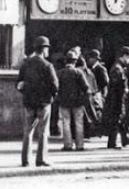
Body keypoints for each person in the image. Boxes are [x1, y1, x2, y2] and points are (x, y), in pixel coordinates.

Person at [17, 35, 59, 167]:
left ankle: (25, 160)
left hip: (29, 102)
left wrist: (25, 93)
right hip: (43, 103)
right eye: (47, 48)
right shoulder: (48, 65)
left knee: (27, 132)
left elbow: (19, 83)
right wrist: (52, 96)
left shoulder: (25, 64)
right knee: (43, 132)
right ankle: (41, 159)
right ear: (44, 49)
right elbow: (55, 85)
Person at [57, 49, 90, 151]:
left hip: (64, 101)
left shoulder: (60, 73)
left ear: (66, 61)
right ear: (75, 61)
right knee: (79, 123)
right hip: (78, 101)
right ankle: (80, 145)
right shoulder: (78, 72)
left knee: (65, 123)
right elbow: (86, 87)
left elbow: (57, 87)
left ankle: (68, 145)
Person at [104, 47, 129, 149]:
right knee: (115, 120)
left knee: (118, 119)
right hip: (116, 98)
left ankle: (124, 140)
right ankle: (113, 143)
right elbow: (117, 85)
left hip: (116, 97)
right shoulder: (117, 68)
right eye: (128, 57)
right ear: (124, 55)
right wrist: (124, 91)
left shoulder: (119, 67)